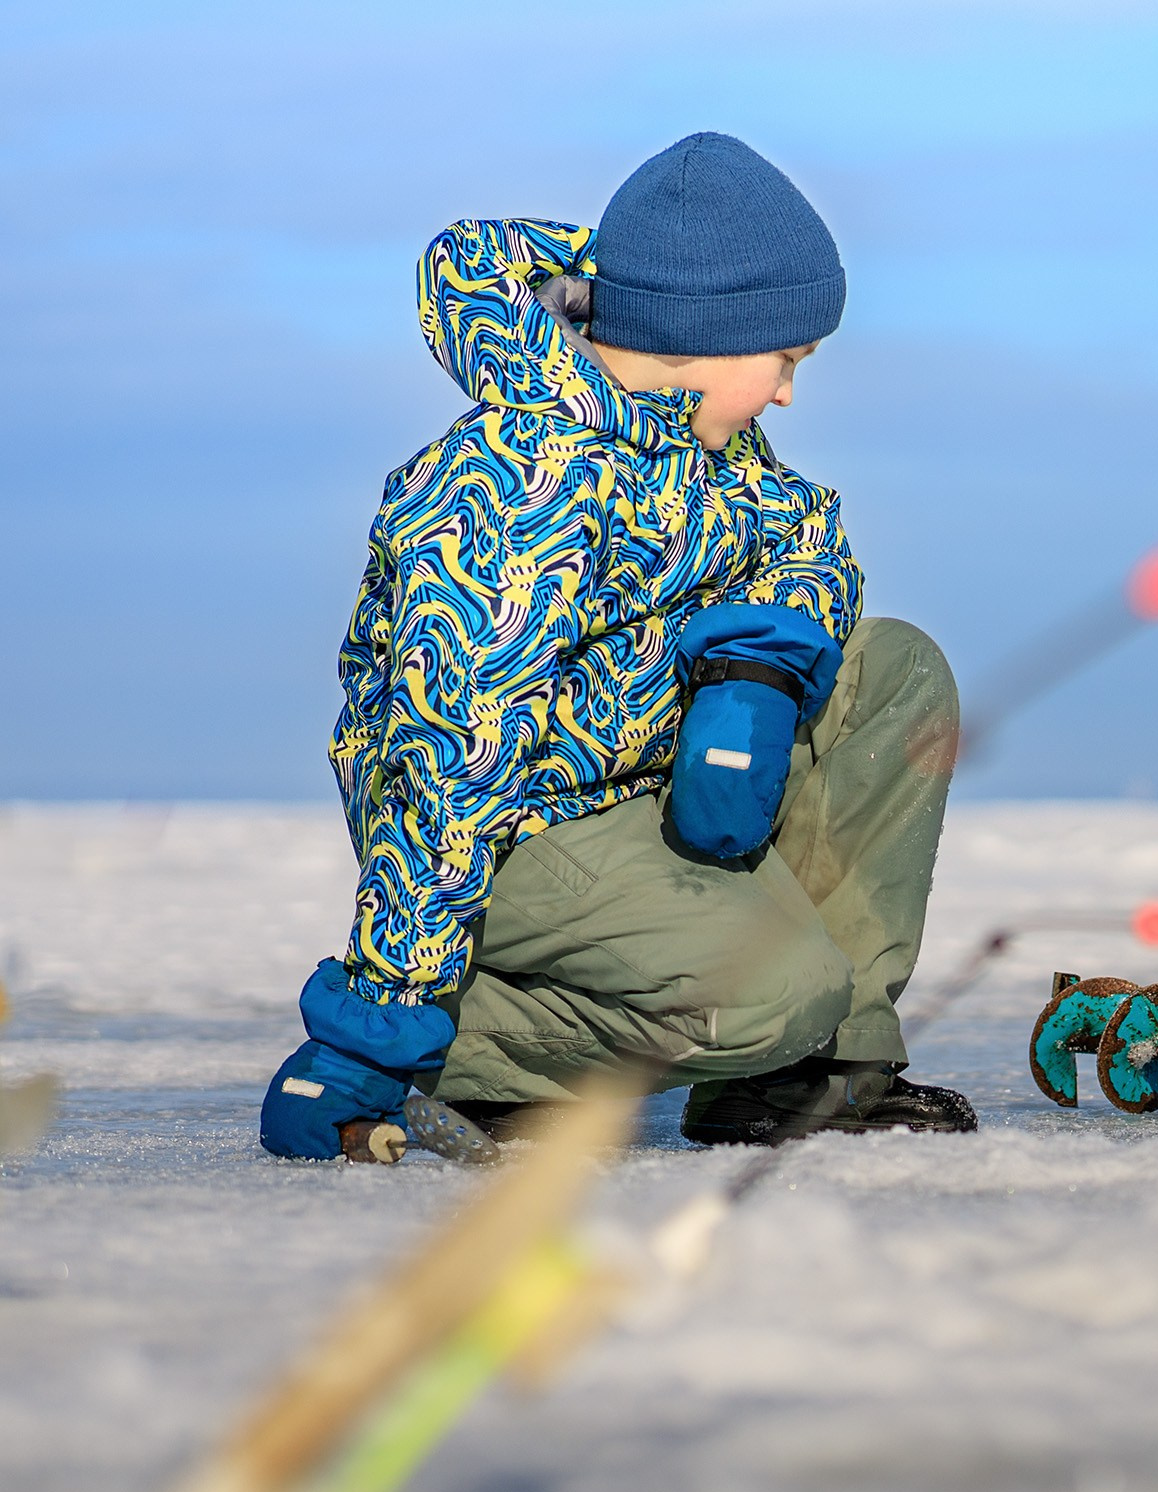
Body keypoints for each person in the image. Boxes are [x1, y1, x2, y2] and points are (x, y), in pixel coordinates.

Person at [261, 133, 975, 1164]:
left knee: (892, 667)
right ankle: (471, 1051)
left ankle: (809, 1070)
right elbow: (448, 759)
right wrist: (380, 1019)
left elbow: (808, 542)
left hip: (635, 794)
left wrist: (757, 665)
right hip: (511, 835)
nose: (785, 395)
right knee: (774, 994)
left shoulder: (703, 448)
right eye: (784, 361)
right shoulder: (518, 485)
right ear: (710, 337)